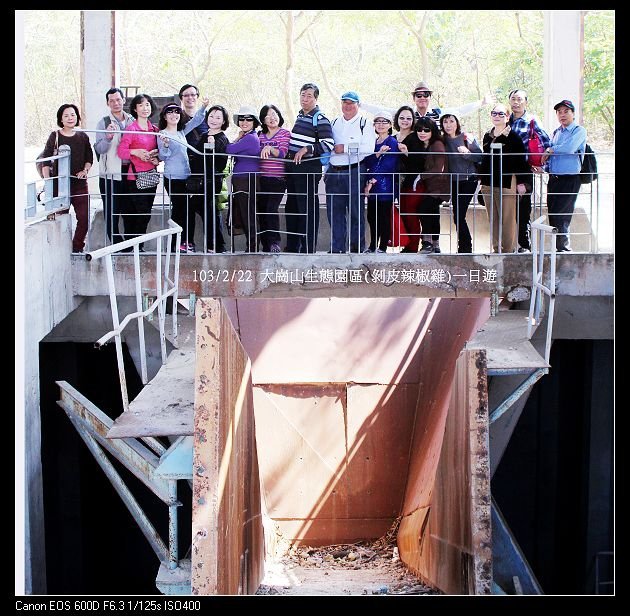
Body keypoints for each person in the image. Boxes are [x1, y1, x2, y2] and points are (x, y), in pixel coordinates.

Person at [285, 83, 334, 253]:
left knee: (307, 209)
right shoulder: (300, 116)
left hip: (307, 169)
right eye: (302, 95)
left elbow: (328, 143)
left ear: (315, 99)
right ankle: (292, 246)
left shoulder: (320, 118)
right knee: (293, 207)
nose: (305, 99)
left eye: (309, 96)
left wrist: (307, 149)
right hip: (293, 168)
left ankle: (308, 248)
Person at [156, 99, 209, 252]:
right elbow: (163, 156)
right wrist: (165, 145)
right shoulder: (163, 134)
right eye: (170, 112)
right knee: (180, 210)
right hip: (173, 178)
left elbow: (197, 120)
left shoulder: (181, 132)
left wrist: (203, 107)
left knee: (187, 210)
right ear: (164, 117)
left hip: (186, 177)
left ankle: (187, 242)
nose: (174, 115)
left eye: (177, 112)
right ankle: (176, 244)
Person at [325, 91, 374, 253]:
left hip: (354, 170)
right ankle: (337, 247)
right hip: (333, 171)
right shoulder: (333, 122)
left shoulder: (365, 123)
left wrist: (345, 148)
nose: (347, 106)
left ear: (358, 105)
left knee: (355, 211)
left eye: (351, 103)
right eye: (344, 102)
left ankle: (357, 247)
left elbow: (369, 149)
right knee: (334, 212)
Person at [41, 104, 93, 253]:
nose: (70, 118)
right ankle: (60, 250)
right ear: (61, 119)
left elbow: (89, 157)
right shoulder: (55, 136)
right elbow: (46, 159)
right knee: (60, 219)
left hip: (79, 184)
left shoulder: (83, 136)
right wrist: (48, 182)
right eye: (66, 115)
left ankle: (76, 247)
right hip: (60, 184)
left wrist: (85, 170)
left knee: (83, 219)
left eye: (73, 114)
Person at [478, 103, 530, 253]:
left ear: (507, 117)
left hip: (507, 181)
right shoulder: (487, 135)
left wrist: (522, 183)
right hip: (488, 181)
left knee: (507, 218)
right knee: (493, 218)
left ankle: (509, 249)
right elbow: (486, 158)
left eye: (501, 114)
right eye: (494, 113)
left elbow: (521, 162)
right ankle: (496, 248)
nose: (497, 116)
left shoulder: (514, 137)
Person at [508, 89, 552, 252]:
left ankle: (524, 245)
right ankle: (510, 243)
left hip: (524, 170)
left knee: (523, 207)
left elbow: (546, 143)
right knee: (508, 208)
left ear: (526, 102)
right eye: (513, 99)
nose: (516, 102)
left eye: (519, 99)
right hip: (506, 170)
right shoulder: (506, 119)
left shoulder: (532, 120)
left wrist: (543, 166)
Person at [541, 100, 587, 252]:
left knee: (563, 214)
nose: (562, 115)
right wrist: (543, 168)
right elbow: (552, 157)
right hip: (554, 178)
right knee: (553, 214)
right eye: (559, 112)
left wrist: (551, 150)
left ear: (573, 114)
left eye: (566, 111)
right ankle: (557, 248)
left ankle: (564, 249)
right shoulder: (556, 132)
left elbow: (570, 148)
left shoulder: (578, 131)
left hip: (570, 178)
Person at [117, 93, 160, 248]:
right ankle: (134, 245)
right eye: (141, 105)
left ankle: (136, 245)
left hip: (151, 177)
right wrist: (135, 152)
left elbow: (161, 150)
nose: (145, 108)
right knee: (140, 213)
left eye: (147, 104)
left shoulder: (155, 129)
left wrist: (157, 157)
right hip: (134, 178)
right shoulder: (131, 129)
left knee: (146, 213)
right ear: (135, 109)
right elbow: (121, 152)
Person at [94, 87, 134, 245]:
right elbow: (99, 149)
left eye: (118, 100)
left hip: (130, 172)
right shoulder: (103, 122)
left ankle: (131, 242)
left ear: (124, 100)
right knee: (112, 210)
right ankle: (116, 244)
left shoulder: (132, 120)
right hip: (110, 173)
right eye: (112, 101)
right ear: (107, 103)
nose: (116, 103)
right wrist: (108, 138)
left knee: (130, 208)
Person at [362, 80, 494, 127]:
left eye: (426, 95)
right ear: (414, 98)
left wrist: (481, 102)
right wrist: (360, 105)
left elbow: (459, 110)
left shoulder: (438, 113)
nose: (422, 98)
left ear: (430, 97)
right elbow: (383, 111)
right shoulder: (407, 114)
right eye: (419, 95)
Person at [441, 112, 482, 253]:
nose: (448, 125)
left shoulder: (466, 137)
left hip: (469, 180)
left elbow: (480, 156)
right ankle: (463, 246)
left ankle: (466, 247)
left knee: (459, 214)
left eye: (451, 121)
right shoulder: (442, 140)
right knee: (457, 215)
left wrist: (467, 153)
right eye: (445, 122)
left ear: (457, 123)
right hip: (452, 181)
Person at [226, 105, 261, 253]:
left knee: (248, 214)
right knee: (244, 213)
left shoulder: (251, 138)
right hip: (241, 179)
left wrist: (237, 139)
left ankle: (252, 246)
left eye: (248, 119)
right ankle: (251, 245)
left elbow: (228, 149)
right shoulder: (246, 137)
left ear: (254, 122)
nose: (244, 122)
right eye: (242, 119)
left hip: (247, 180)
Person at [363, 110, 399, 253]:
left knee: (383, 217)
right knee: (372, 217)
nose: (381, 125)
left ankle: (383, 246)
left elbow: (388, 165)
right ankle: (372, 245)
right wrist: (378, 153)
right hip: (372, 187)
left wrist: (372, 181)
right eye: (378, 122)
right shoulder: (373, 141)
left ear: (390, 125)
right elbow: (368, 160)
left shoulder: (392, 142)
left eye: (384, 122)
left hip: (385, 186)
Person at [258, 104, 291, 253]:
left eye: (275, 114)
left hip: (278, 179)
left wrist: (270, 149)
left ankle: (274, 243)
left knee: (271, 209)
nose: (272, 118)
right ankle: (265, 245)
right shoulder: (259, 135)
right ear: (263, 120)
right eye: (268, 115)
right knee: (262, 210)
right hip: (261, 178)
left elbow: (283, 153)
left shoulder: (284, 133)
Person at [178, 84, 209, 242]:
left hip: (203, 170)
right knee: (183, 208)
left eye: (193, 94)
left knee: (206, 207)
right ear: (181, 98)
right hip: (184, 168)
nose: (190, 98)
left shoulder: (207, 117)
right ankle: (185, 242)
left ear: (197, 96)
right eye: (186, 95)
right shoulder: (177, 118)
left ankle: (213, 243)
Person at [413, 117, 450, 254]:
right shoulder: (427, 144)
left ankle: (427, 242)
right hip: (433, 186)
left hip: (439, 187)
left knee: (424, 208)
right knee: (433, 214)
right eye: (419, 129)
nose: (422, 132)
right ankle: (435, 245)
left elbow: (439, 168)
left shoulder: (437, 145)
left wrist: (421, 176)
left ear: (432, 131)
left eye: (426, 130)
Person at [395, 105, 425, 252]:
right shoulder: (393, 138)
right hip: (398, 182)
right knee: (403, 213)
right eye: (402, 118)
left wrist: (407, 153)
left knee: (411, 214)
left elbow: (420, 162)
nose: (405, 121)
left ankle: (413, 247)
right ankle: (406, 245)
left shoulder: (416, 137)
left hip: (414, 182)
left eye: (408, 118)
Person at [201, 105, 230, 253]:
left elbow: (219, 163)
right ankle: (211, 244)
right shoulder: (204, 135)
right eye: (211, 116)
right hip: (201, 180)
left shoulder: (222, 139)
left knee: (212, 212)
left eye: (218, 117)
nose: (214, 120)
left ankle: (217, 245)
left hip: (213, 180)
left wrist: (211, 147)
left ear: (224, 121)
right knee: (206, 211)